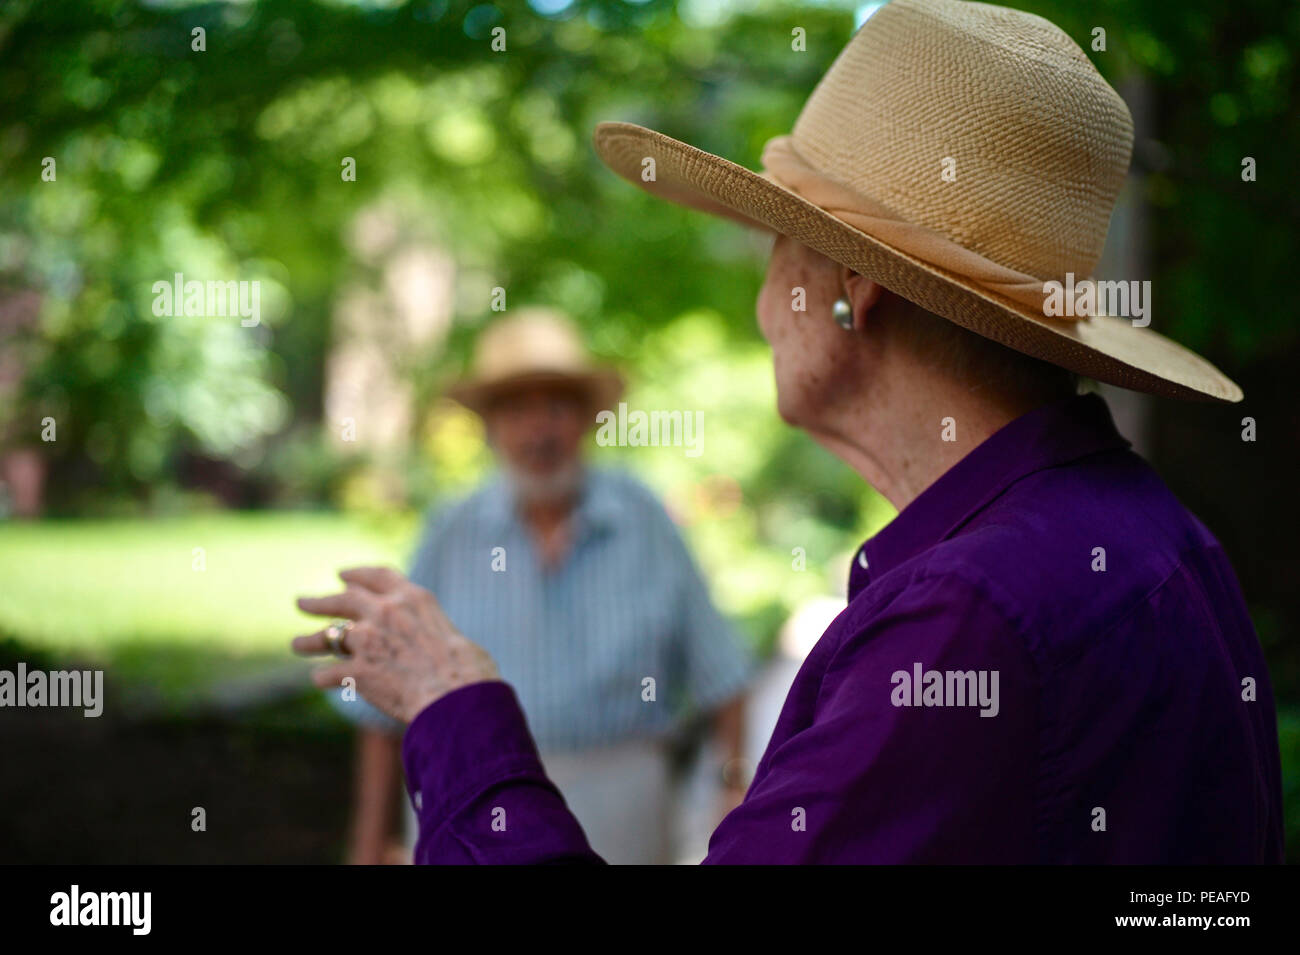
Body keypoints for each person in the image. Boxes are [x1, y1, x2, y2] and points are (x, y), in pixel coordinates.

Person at [294, 0, 1283, 863]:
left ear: (848, 289)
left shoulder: (962, 619)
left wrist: (454, 708)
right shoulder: (1155, 536)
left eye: (777, 243)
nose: (764, 304)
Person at [329, 307, 752, 865]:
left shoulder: (642, 519)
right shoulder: (451, 531)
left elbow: (722, 676)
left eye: (556, 406)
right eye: (516, 409)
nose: (538, 430)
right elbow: (381, 719)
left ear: (585, 418)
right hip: (476, 807)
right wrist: (366, 849)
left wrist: (734, 792)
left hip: (623, 809)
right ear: (490, 426)